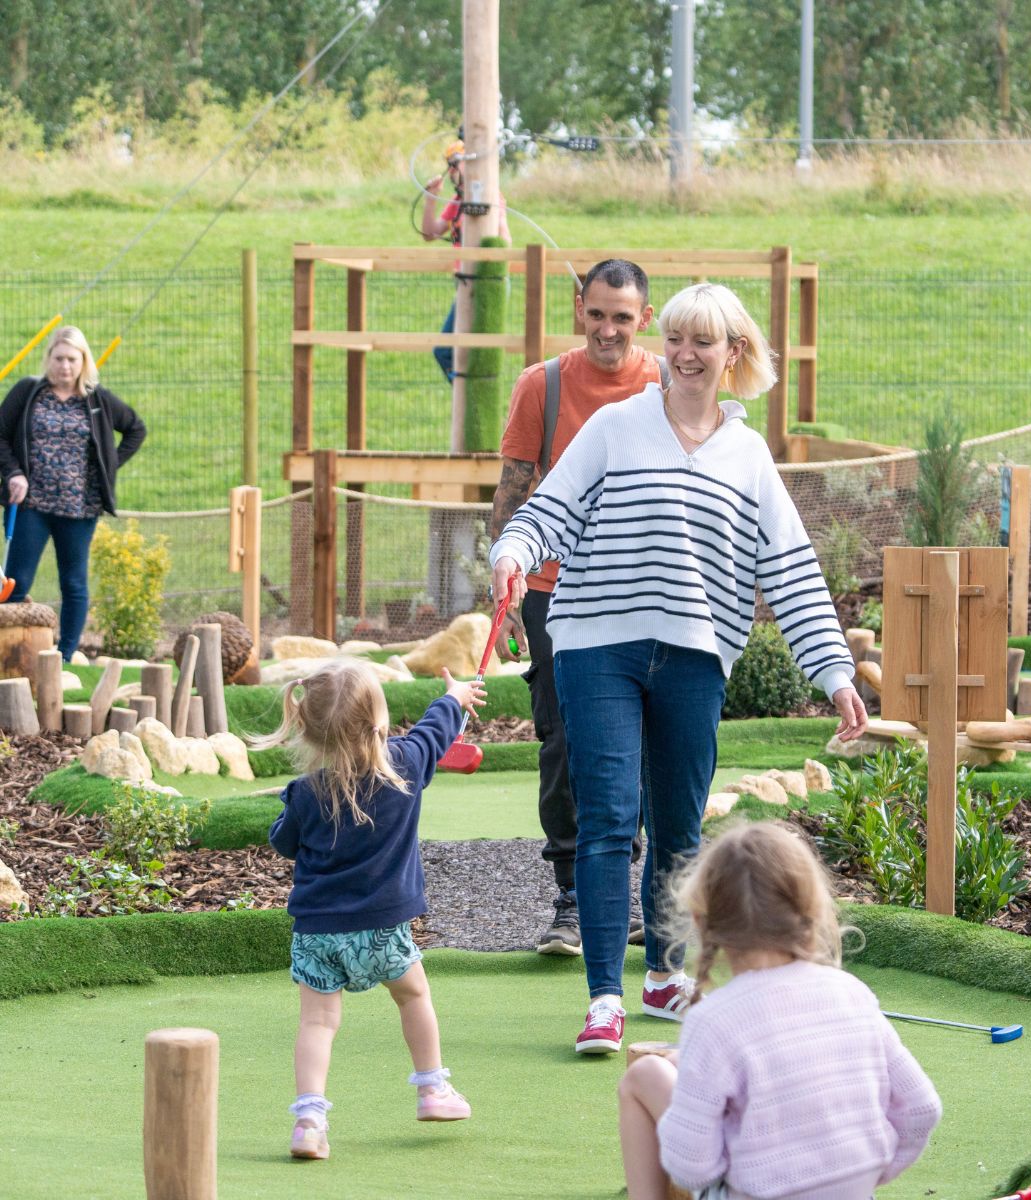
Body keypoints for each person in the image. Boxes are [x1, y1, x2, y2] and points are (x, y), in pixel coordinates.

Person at [489, 282, 869, 1055]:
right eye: (676, 341)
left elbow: (791, 571)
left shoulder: (749, 454)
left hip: (696, 656)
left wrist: (834, 672)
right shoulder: (616, 426)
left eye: (705, 342)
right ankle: (603, 997)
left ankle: (664, 977)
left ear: (734, 353)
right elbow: (550, 509)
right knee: (606, 818)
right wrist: (512, 552)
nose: (686, 355)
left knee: (679, 826)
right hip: (596, 644)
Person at [490, 258, 666, 957]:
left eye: (622, 317)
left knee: (647, 744)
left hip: (647, 590)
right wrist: (502, 588)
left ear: (643, 319)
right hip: (551, 590)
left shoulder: (664, 381)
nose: (608, 330)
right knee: (564, 742)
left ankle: (634, 895)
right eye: (597, 314)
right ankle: (571, 900)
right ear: (578, 310)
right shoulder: (545, 385)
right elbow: (512, 487)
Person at [617, 822, 943, 1200]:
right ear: (811, 909)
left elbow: (692, 1168)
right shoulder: (852, 993)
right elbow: (923, 1109)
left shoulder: (715, 1020)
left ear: (703, 922)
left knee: (644, 1076)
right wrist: (869, 1175)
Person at [263, 657, 486, 1160]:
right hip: (384, 930)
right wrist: (455, 699)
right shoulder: (406, 766)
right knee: (412, 997)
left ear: (307, 728)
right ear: (380, 724)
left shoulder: (305, 793)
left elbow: (284, 842)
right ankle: (432, 1090)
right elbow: (435, 730)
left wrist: (294, 816)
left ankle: (309, 1121)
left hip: (317, 934)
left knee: (317, 1023)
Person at [0, 325, 146, 660]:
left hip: (80, 509)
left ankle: (65, 657)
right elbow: (1, 435)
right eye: (58, 358)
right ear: (48, 358)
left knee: (74, 583)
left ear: (84, 362)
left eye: (72, 359)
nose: (64, 366)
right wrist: (13, 473)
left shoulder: (98, 401)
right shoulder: (28, 392)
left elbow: (136, 429)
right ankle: (6, 653)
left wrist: (108, 468)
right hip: (31, 506)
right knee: (16, 582)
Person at [421, 136, 511, 383]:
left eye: (456, 163)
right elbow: (430, 232)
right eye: (449, 165)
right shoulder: (457, 203)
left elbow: (505, 242)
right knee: (450, 352)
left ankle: (471, 397)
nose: (451, 170)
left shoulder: (490, 197)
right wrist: (430, 199)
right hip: (464, 283)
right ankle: (466, 397)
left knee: (460, 352)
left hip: (485, 284)